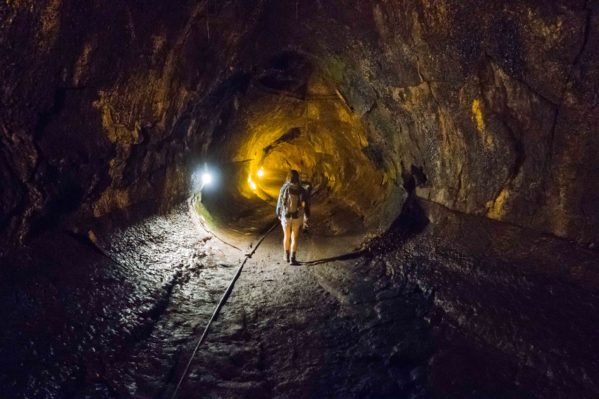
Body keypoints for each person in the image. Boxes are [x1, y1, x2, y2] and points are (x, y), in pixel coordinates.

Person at [275, 170, 310, 265]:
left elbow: (279, 202)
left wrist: (278, 213)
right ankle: (292, 258)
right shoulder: (302, 189)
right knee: (295, 237)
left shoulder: (284, 188)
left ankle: (286, 256)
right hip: (297, 216)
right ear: (298, 178)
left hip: (286, 216)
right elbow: (306, 205)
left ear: (288, 177)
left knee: (286, 236)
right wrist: (307, 217)